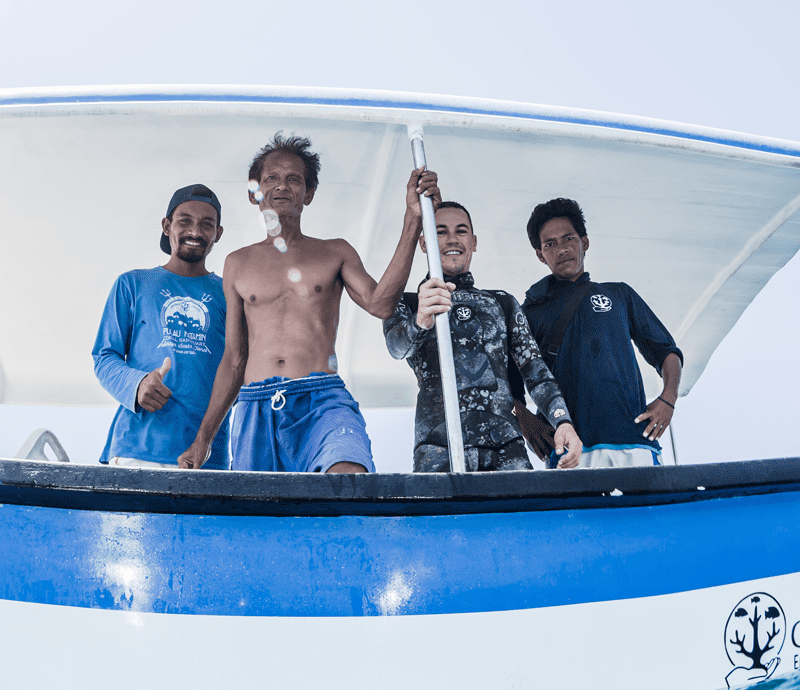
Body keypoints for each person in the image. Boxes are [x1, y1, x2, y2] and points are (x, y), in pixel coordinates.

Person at [177, 133, 440, 473]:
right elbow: (233, 358)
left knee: (350, 479)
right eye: (271, 178)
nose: (281, 186)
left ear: (309, 193)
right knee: (260, 517)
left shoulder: (335, 252)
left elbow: (381, 305)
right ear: (254, 191)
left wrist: (412, 218)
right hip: (256, 406)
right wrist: (204, 439)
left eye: (293, 179)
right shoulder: (236, 263)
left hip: (322, 399)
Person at [383, 201, 582, 472]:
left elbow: (536, 371)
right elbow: (396, 348)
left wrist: (563, 421)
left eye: (461, 231)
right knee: (442, 517)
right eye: (439, 232)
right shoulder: (407, 302)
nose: (452, 239)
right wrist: (420, 321)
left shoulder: (502, 302)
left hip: (506, 446)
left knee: (521, 516)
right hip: (437, 448)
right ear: (424, 242)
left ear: (474, 241)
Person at [518, 197, 683, 468]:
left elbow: (667, 351)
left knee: (650, 512)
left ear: (584, 242)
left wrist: (669, 398)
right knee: (579, 513)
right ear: (540, 254)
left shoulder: (619, 294)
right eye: (550, 244)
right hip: (570, 448)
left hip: (635, 441)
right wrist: (525, 420)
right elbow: (505, 378)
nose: (561, 249)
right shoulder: (530, 310)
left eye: (568, 238)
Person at [93, 183, 229, 469]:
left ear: (218, 233)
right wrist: (137, 383)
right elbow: (104, 356)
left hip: (205, 457)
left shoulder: (230, 293)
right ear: (167, 226)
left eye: (207, 224)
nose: (195, 231)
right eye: (185, 221)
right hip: (137, 450)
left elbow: (240, 367)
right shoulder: (132, 284)